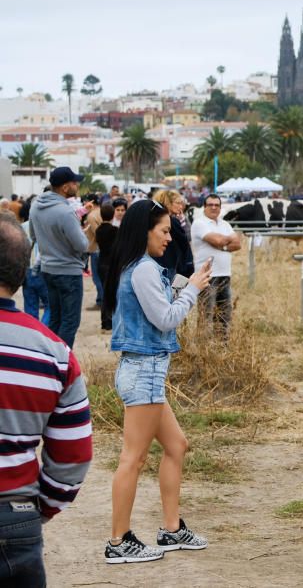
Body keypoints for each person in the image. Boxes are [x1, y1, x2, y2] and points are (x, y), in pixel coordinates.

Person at [101, 200, 212, 564]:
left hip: (145, 373)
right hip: (144, 372)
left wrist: (184, 285)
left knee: (177, 445)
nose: (169, 237)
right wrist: (193, 288)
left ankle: (170, 528)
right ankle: (119, 542)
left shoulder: (138, 266)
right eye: (164, 230)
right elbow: (165, 319)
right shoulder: (144, 270)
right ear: (144, 230)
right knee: (132, 458)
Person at [0, 211, 93, 586]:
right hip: (14, 517)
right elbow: (73, 458)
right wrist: (33, 513)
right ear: (23, 274)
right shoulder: (54, 353)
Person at [29, 167, 90, 347]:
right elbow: (82, 245)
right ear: (65, 187)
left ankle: (50, 359)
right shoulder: (65, 211)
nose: (77, 185)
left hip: (48, 269)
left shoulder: (35, 207)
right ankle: (62, 363)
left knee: (55, 318)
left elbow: (33, 237)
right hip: (68, 272)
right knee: (70, 321)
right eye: (74, 182)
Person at [191, 194, 241, 338]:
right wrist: (226, 240)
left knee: (224, 314)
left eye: (217, 205)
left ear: (220, 207)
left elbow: (237, 244)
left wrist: (223, 246)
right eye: (210, 205)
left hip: (225, 274)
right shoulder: (200, 223)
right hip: (207, 276)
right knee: (206, 314)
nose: (214, 207)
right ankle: (203, 349)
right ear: (204, 207)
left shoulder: (224, 224)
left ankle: (221, 347)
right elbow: (218, 240)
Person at [19, 198, 51, 324]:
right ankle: (42, 333)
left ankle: (32, 336)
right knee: (51, 306)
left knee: (30, 307)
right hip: (44, 269)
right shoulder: (49, 226)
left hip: (27, 270)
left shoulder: (21, 227)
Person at [152, 189, 194, 282]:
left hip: (159, 263)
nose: (181, 206)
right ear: (168, 203)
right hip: (169, 265)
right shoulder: (171, 222)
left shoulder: (156, 220)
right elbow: (185, 242)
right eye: (178, 203)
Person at [96, 202, 119, 331]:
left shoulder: (98, 230)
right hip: (111, 264)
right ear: (113, 214)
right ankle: (110, 320)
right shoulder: (115, 230)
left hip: (101, 262)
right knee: (112, 293)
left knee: (105, 293)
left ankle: (104, 321)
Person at [83, 193, 105, 310]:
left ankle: (101, 301)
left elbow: (98, 233)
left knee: (97, 278)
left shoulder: (91, 216)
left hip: (96, 248)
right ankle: (100, 299)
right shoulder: (102, 212)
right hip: (103, 249)